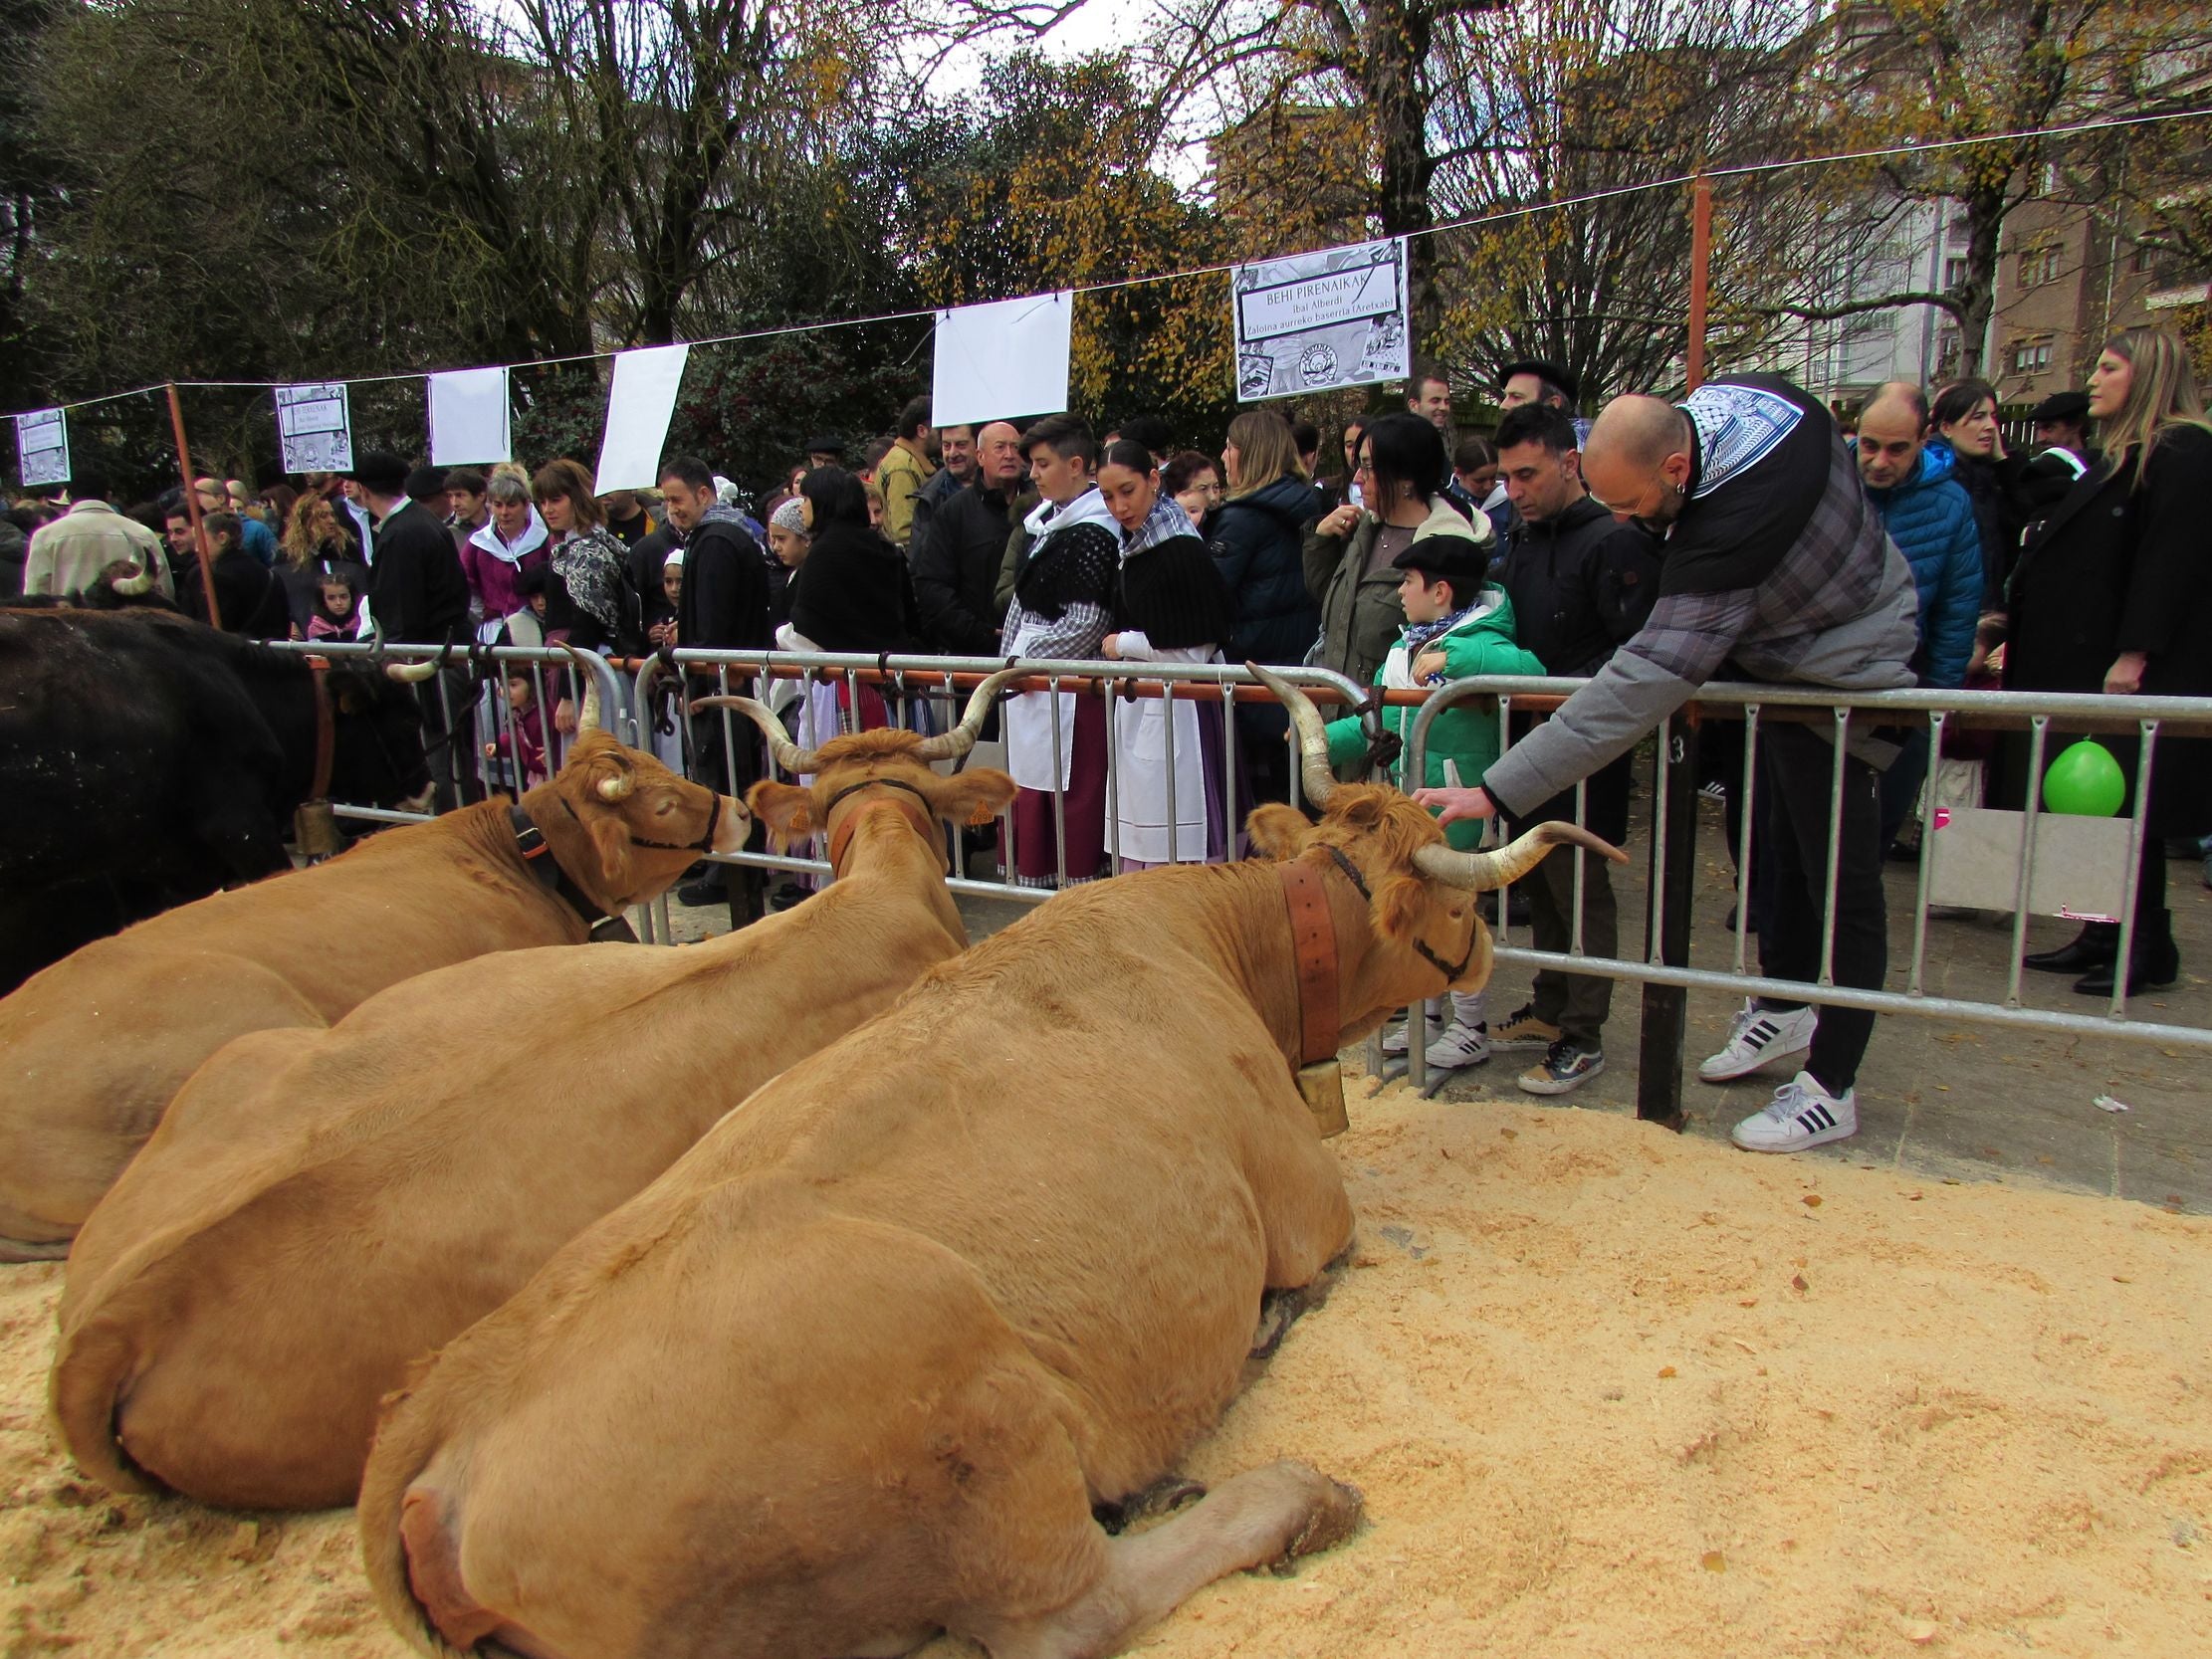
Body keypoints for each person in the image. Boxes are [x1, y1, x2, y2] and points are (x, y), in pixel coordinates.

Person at [1416, 374, 1919, 1154]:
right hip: (1778, 666)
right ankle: (1784, 1006)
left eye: (1631, 507)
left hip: (1847, 671)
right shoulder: (1736, 406)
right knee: (1771, 856)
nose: (1626, 525)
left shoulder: (1731, 533)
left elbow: (1636, 686)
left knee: (1840, 878)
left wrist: (1498, 787)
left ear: (1678, 472)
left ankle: (1833, 1083)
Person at [1995, 328, 2212, 996]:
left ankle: (2144, 941)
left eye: (2110, 368)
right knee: (2098, 810)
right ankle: (2101, 927)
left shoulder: (2181, 452)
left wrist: (2135, 650)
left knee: (2129, 807)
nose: (2094, 379)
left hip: (2133, 667)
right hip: (2083, 660)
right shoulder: (2121, 455)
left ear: (2146, 375)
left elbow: (2169, 560)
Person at [1320, 509, 1543, 1071]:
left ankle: (1471, 1026)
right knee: (1422, 916)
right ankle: (1430, 1018)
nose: (1398, 590)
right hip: (1411, 808)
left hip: (1459, 812)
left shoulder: (1483, 637)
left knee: (1456, 915)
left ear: (1440, 591)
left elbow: (1530, 669)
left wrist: (1457, 657)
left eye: (1408, 581)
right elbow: (1386, 723)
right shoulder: (1406, 648)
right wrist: (1323, 741)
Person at [1485, 402, 1662, 1095]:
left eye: (1527, 474)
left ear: (1570, 463)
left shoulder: (1611, 540)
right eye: (1506, 477)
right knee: (1540, 880)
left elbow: (1635, 651)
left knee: (1581, 888)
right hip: (1526, 744)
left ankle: (1584, 1032)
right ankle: (1552, 1001)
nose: (1515, 490)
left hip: (1588, 746)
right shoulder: (1522, 538)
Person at [1852, 382, 1984, 853]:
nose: (1879, 461)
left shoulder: (1950, 504)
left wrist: (1937, 702)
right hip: (1822, 687)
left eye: (1896, 449)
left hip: (1904, 691)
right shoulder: (1826, 484)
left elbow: (1958, 606)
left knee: (1875, 830)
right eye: (1869, 445)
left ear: (1923, 439)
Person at [1097, 439, 1237, 869]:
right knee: (1146, 822)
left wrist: (1122, 644)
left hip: (1184, 712)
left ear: (1153, 481)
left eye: (1128, 491)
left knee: (1177, 831)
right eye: (1107, 496)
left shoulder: (1177, 549)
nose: (1119, 506)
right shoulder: (1138, 545)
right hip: (1151, 705)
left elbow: (1192, 651)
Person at [1000, 416, 1119, 888]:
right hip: (1033, 676)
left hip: (1069, 683)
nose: (1033, 473)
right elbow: (1020, 601)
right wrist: (1007, 659)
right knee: (1033, 780)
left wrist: (1024, 659)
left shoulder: (1094, 532)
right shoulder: (1048, 525)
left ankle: (1075, 880)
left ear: (1074, 465)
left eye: (1042, 463)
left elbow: (1089, 621)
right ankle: (1039, 871)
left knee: (1072, 786)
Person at [660, 453, 774, 917]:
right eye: (667, 502)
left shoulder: (715, 542)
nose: (672, 509)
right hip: (730, 679)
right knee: (733, 775)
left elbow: (713, 626)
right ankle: (736, 871)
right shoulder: (727, 536)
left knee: (727, 778)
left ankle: (733, 874)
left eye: (678, 499)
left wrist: (695, 670)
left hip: (722, 684)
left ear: (704, 494)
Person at [1206, 411, 1324, 814]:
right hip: (1298, 675)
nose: (1223, 457)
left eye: (1229, 447)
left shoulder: (1239, 520)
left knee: (1267, 813)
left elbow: (1210, 598)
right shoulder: (1311, 507)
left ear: (1247, 454)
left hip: (1253, 678)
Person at [1304, 411, 1456, 696]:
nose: (1358, 478)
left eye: (1369, 467)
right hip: (1338, 715)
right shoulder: (1362, 531)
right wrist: (1320, 542)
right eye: (1358, 466)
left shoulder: (1444, 550)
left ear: (1407, 478)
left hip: (1388, 724)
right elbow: (1332, 606)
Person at [913, 418, 1022, 655]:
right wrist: (977, 633)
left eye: (1015, 447)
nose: (1009, 454)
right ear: (980, 456)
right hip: (975, 654)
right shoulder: (954, 512)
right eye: (1000, 447)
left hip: (1033, 649)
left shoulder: (1041, 505)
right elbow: (932, 585)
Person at [532, 458, 633, 656]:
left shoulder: (588, 551)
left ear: (578, 498)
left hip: (586, 658)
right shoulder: (573, 545)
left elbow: (588, 624)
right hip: (569, 652)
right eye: (542, 502)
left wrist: (572, 664)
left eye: (555, 500)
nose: (547, 509)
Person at [24, 466, 173, 600]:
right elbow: (164, 591)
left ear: (68, 497)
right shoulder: (142, 533)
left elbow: (35, 594)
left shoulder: (46, 535)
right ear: (108, 496)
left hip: (70, 625)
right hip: (131, 625)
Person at [1928, 378, 2019, 598]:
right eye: (1978, 417)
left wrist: (2001, 462)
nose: (1990, 426)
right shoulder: (1934, 480)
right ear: (1947, 427)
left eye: (1993, 416)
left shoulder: (1990, 476)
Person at [461, 472, 551, 634]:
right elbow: (465, 584)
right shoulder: (479, 544)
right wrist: (484, 614)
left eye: (511, 505)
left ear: (526, 505)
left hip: (536, 627)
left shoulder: (543, 540)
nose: (504, 512)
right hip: (493, 629)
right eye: (498, 505)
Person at [176, 511, 288, 636]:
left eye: (199, 541)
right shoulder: (268, 573)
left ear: (222, 538)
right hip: (270, 650)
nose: (197, 549)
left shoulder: (218, 578)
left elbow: (214, 630)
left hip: (235, 651)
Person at [276, 491, 370, 634]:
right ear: (305, 521)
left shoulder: (346, 549)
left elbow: (362, 590)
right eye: (322, 516)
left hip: (349, 632)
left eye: (332, 514)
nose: (331, 521)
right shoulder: (288, 555)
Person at [876, 397, 937, 548]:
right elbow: (904, 533)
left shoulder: (906, 460)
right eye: (939, 428)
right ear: (922, 430)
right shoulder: (902, 467)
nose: (943, 434)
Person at [907, 423, 974, 556]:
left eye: (961, 445)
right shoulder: (929, 498)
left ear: (979, 446)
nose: (952, 453)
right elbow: (918, 561)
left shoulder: (1006, 487)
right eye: (946, 446)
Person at [194, 477, 278, 566]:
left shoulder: (256, 529)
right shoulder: (197, 531)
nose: (193, 498)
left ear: (220, 498)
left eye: (199, 493)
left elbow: (277, 564)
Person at [1162, 450, 1223, 532]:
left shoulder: (1226, 525)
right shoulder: (1165, 535)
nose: (1213, 498)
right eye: (1203, 489)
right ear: (1178, 493)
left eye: (1216, 487)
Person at [2028, 389, 2096, 464]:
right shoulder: (2034, 469)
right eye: (2037, 429)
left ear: (2075, 426)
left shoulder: (2096, 469)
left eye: (2048, 428)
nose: (2040, 439)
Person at [446, 469, 490, 562]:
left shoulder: (500, 527)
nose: (454, 503)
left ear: (481, 496)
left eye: (460, 495)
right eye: (450, 496)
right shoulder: (450, 534)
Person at [306, 571, 363, 641]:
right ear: (323, 600)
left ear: (352, 598)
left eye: (344, 597)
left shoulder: (363, 623)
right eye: (331, 598)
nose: (338, 603)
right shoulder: (316, 627)